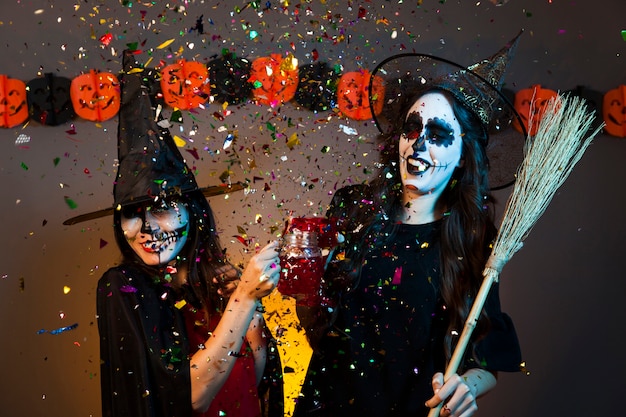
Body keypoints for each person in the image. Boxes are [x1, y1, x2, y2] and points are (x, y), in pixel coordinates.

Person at [293, 36, 524, 417]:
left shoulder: (473, 239)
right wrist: (303, 279)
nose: (417, 144)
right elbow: (319, 321)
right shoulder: (354, 209)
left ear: (463, 154)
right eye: (412, 129)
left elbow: (486, 356)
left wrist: (466, 387)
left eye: (437, 135)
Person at [65, 50, 283, 417]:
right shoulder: (122, 287)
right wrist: (244, 300)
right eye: (132, 214)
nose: (147, 229)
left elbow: (254, 384)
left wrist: (252, 316)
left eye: (163, 208)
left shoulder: (219, 286)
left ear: (191, 212)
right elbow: (189, 395)